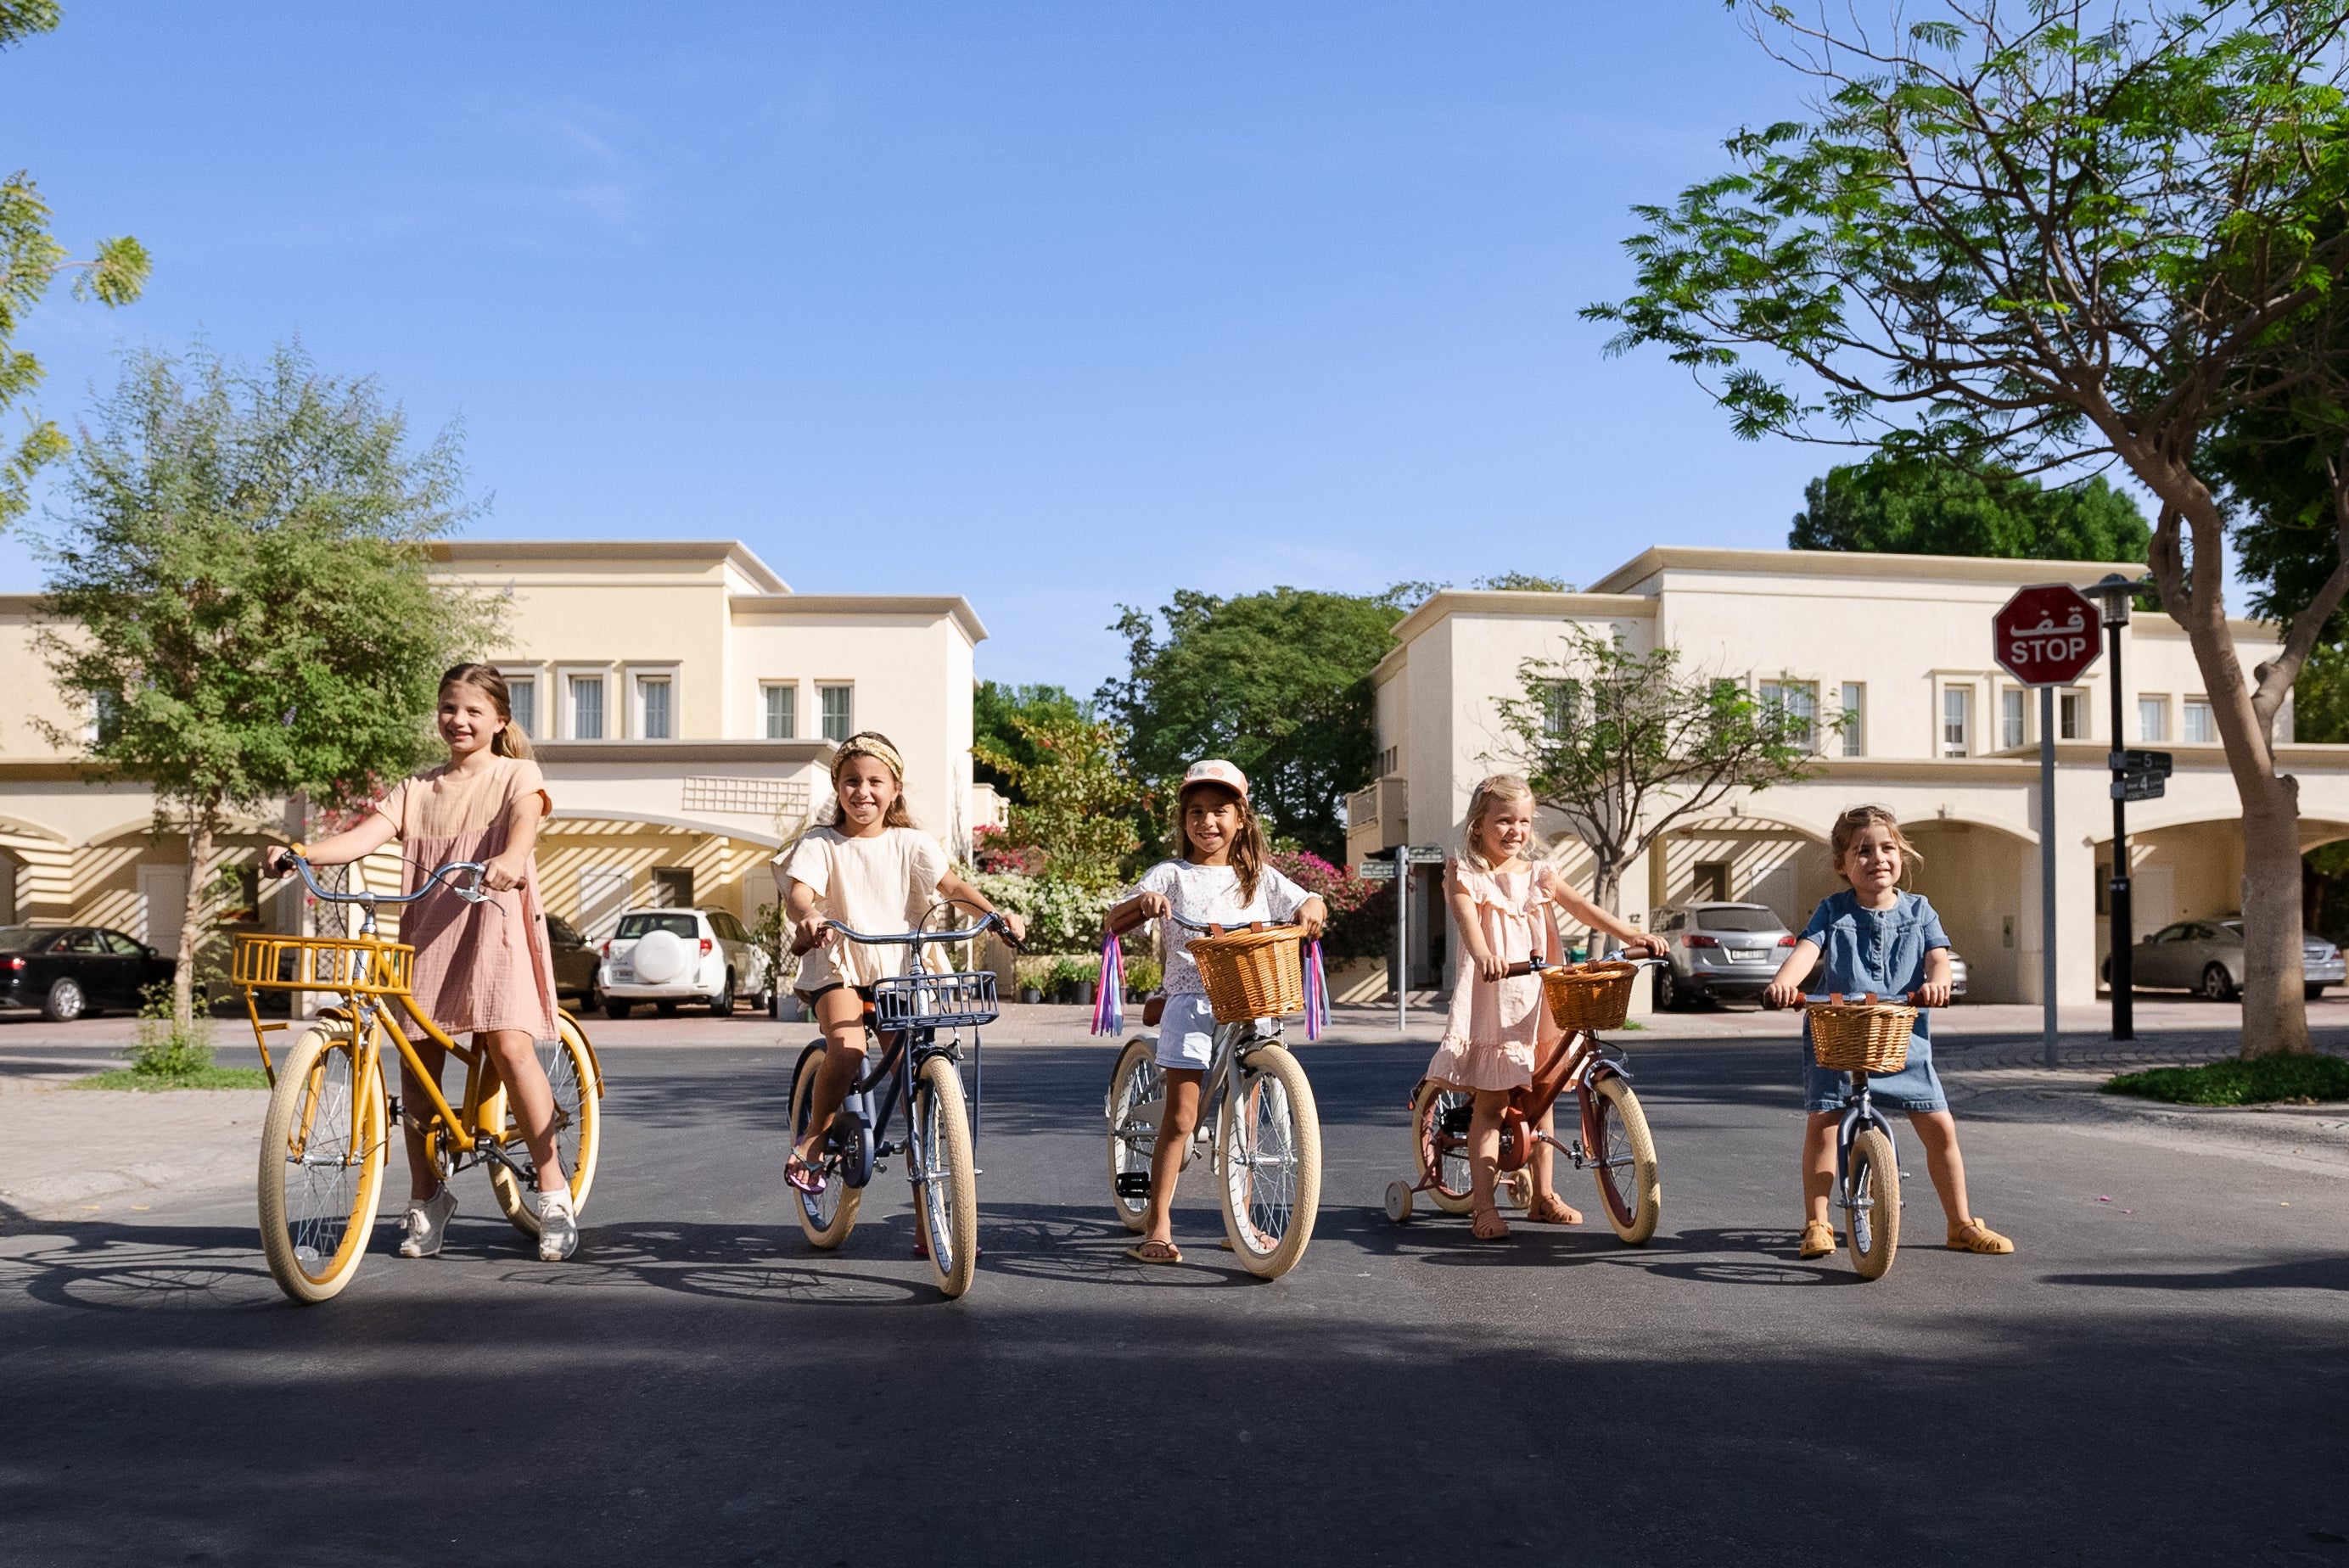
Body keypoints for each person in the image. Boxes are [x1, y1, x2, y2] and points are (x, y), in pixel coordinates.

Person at [265, 664, 579, 1263]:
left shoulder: (517, 773)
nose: (458, 720)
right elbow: (363, 836)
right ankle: (427, 1195)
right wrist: (302, 853)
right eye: (448, 709)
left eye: (472, 711)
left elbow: (526, 820)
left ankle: (554, 1190)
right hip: (429, 934)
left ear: (499, 721)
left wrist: (511, 858)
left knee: (510, 1045)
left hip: (495, 923)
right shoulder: (416, 789)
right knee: (418, 1067)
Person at [776, 732, 1025, 1205]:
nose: (862, 791)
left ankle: (927, 1214)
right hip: (841, 963)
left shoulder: (913, 843)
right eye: (851, 781)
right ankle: (811, 1139)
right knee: (848, 1051)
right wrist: (808, 914)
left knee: (915, 1083)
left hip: (901, 967)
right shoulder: (820, 843)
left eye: (875, 781)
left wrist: (995, 919)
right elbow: (800, 892)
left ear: (894, 789)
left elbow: (951, 886)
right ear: (836, 785)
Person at [1102, 759, 1329, 1265]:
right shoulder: (1173, 873)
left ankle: (1242, 1221)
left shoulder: (1260, 877)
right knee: (1181, 1118)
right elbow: (1117, 916)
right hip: (1191, 1000)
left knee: (1246, 1120)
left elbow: (1308, 899)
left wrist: (1314, 904)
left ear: (1241, 818)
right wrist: (1147, 903)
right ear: (1184, 820)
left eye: (1220, 811)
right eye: (1196, 812)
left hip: (1253, 999)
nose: (1208, 822)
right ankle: (1158, 1224)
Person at [1763, 804, 2015, 1259]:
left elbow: (1938, 955)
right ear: (1842, 864)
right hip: (1838, 1034)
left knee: (1940, 1126)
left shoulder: (1920, 910)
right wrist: (1786, 982)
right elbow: (1806, 949)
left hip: (1903, 1037)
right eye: (1863, 851)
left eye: (1888, 848)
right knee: (1823, 1124)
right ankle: (1816, 1223)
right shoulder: (1832, 911)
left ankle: (1960, 1223)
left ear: (1901, 855)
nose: (1877, 858)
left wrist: (1938, 982)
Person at [1423, 775, 1667, 1240]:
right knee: (1492, 1104)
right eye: (1503, 820)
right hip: (1496, 993)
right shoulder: (1465, 871)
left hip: (1542, 995)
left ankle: (1543, 1197)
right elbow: (1467, 918)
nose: (1514, 830)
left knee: (1545, 1096)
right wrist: (1483, 955)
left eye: (1523, 821)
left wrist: (1629, 935)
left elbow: (1583, 908)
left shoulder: (1541, 874)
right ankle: (1485, 1206)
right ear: (1478, 826)